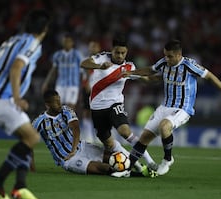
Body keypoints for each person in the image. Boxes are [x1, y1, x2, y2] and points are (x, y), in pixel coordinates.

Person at [121, 39, 221, 176]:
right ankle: (126, 169)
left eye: (170, 56)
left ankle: (167, 160)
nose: (167, 58)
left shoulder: (189, 65)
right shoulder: (164, 63)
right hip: (165, 106)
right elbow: (150, 71)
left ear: (178, 55)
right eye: (165, 55)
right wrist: (131, 73)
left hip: (183, 108)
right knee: (144, 139)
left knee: (164, 127)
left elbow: (210, 76)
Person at [0, 9, 50, 199]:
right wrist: (16, 97)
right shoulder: (33, 43)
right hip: (0, 100)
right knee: (32, 137)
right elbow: (17, 67)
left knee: (28, 138)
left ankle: (20, 187)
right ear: (44, 30)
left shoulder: (10, 41)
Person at [32, 90, 156, 178]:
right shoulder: (39, 122)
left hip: (82, 147)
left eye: (59, 100)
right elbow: (27, 142)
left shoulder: (66, 110)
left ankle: (141, 168)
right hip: (68, 160)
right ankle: (136, 175)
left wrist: (74, 149)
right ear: (47, 104)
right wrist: (31, 165)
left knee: (114, 157)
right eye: (55, 102)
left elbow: (76, 129)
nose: (59, 104)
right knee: (103, 168)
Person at [80, 34, 157, 172]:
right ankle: (136, 166)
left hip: (115, 104)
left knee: (124, 131)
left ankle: (149, 160)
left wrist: (163, 77)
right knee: (108, 143)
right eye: (117, 52)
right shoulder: (102, 57)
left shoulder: (129, 67)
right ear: (112, 50)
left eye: (123, 53)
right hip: (97, 108)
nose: (120, 55)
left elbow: (146, 79)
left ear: (126, 52)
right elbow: (83, 63)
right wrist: (99, 66)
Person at [41, 33, 84, 110]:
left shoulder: (77, 55)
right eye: (65, 41)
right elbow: (53, 70)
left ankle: (68, 121)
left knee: (70, 108)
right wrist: (46, 82)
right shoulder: (57, 55)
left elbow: (81, 72)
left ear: (72, 43)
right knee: (58, 107)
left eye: (68, 41)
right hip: (60, 84)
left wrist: (81, 87)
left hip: (73, 85)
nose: (66, 43)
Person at [80, 40, 101, 143]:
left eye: (95, 46)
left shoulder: (101, 60)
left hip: (97, 88)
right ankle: (88, 136)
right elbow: (84, 73)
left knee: (97, 112)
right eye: (91, 46)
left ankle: (99, 135)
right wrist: (87, 83)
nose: (93, 48)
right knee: (86, 112)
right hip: (87, 87)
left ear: (98, 48)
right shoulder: (85, 60)